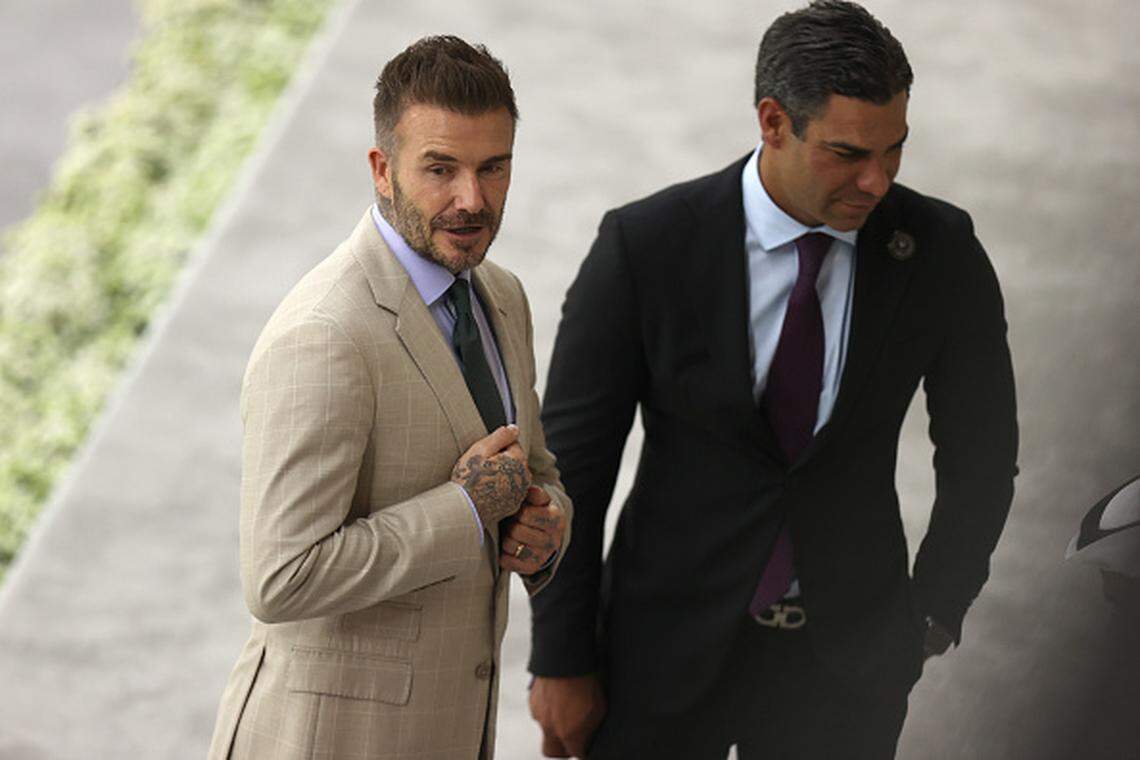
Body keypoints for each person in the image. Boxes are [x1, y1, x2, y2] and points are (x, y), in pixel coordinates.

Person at [526, 2, 1018, 758]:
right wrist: (560, 660)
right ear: (772, 121)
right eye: (849, 152)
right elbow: (569, 470)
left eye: (895, 151)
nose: (877, 180)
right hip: (657, 660)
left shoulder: (939, 251)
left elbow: (982, 451)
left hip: (844, 675)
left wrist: (936, 612)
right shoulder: (647, 246)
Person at [208, 36, 571, 760]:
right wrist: (466, 511)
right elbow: (281, 578)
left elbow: (532, 469)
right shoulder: (324, 335)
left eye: (493, 168)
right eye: (441, 169)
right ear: (382, 170)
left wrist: (546, 523)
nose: (473, 199)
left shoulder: (502, 297)